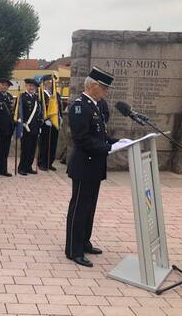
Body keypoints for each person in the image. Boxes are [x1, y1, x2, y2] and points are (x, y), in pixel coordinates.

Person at [65, 67, 119, 268]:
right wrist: (108, 148)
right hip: (83, 165)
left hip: (94, 166)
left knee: (90, 208)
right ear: (91, 85)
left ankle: (84, 241)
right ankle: (73, 249)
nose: (105, 91)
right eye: (103, 88)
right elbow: (82, 139)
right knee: (79, 208)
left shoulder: (96, 106)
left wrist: (118, 142)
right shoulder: (80, 106)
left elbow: (101, 136)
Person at [17, 78, 43, 175]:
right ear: (26, 86)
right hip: (25, 127)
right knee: (25, 148)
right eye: (29, 85)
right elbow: (18, 112)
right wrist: (21, 123)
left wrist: (39, 125)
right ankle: (21, 168)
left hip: (35, 127)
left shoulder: (37, 98)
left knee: (32, 148)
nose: (31, 87)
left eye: (33, 86)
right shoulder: (22, 97)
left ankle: (28, 167)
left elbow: (39, 113)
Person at [38, 74, 63, 171]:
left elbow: (58, 107)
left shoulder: (56, 95)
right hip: (46, 123)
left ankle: (49, 163)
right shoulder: (42, 94)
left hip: (55, 123)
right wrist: (45, 120)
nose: (51, 85)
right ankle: (42, 163)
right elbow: (40, 109)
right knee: (44, 144)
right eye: (48, 83)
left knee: (53, 143)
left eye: (52, 83)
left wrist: (60, 118)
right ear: (44, 84)